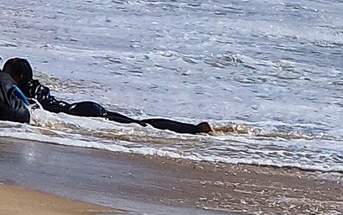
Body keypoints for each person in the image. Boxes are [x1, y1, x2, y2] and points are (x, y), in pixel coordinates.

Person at [1, 58, 212, 135]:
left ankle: (193, 129)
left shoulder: (28, 91)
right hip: (83, 109)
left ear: (18, 76)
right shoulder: (34, 88)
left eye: (6, 71)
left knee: (141, 125)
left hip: (83, 112)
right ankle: (193, 129)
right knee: (139, 123)